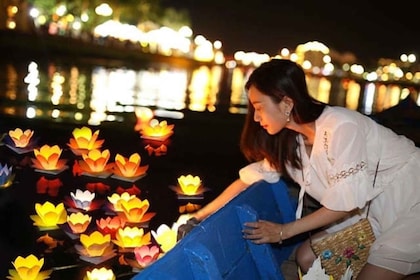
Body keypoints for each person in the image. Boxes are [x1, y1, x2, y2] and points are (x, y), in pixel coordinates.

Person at [187, 58, 420, 279]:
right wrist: (197, 216)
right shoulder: (294, 144)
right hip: (372, 213)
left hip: (411, 206)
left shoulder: (341, 126)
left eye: (259, 107)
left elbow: (346, 203)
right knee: (307, 257)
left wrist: (283, 231)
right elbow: (249, 178)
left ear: (287, 103)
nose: (256, 118)